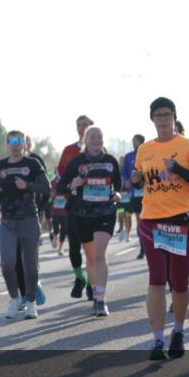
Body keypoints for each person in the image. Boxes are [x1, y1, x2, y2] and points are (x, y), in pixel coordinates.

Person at [131, 98, 189, 360]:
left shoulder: (188, 146)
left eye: (167, 114)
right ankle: (157, 341)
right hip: (152, 222)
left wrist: (178, 169)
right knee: (156, 278)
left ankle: (178, 330)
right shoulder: (144, 150)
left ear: (175, 117)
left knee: (179, 282)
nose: (163, 118)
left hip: (182, 222)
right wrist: (135, 180)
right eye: (158, 115)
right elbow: (138, 180)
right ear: (152, 119)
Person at [57, 126, 121, 317]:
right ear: (85, 140)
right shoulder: (77, 161)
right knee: (91, 258)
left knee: (100, 255)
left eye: (99, 137)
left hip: (105, 212)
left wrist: (117, 194)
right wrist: (72, 185)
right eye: (92, 137)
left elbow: (117, 185)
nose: (96, 140)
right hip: (82, 213)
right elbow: (61, 186)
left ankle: (101, 300)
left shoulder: (110, 161)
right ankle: (95, 293)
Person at [0, 131, 48, 319]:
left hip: (29, 220)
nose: (16, 145)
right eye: (12, 141)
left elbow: (45, 187)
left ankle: (31, 302)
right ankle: (14, 298)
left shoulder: (32, 164)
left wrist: (28, 186)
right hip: (7, 221)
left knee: (30, 266)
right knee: (7, 263)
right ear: (7, 144)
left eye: (19, 141)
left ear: (24, 144)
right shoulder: (0, 165)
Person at [57, 115, 96, 300]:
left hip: (95, 205)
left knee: (91, 248)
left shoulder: (99, 151)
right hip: (73, 203)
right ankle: (79, 278)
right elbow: (60, 176)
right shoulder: (69, 150)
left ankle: (91, 282)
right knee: (74, 246)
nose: (82, 127)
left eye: (85, 125)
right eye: (79, 125)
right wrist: (71, 185)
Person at [122, 134, 146, 258]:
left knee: (149, 221)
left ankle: (150, 245)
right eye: (132, 141)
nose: (134, 143)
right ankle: (142, 248)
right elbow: (124, 173)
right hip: (135, 194)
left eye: (135, 141)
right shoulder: (129, 156)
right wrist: (125, 180)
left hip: (149, 193)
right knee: (139, 221)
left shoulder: (148, 153)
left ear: (142, 142)